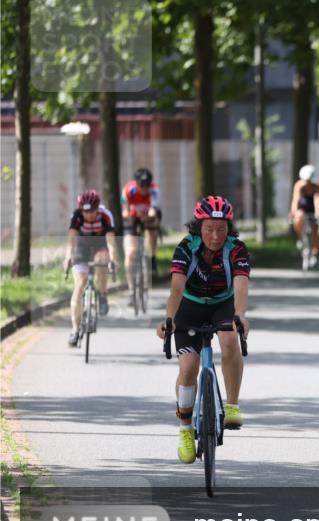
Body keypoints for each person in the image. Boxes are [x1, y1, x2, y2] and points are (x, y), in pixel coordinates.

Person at [156, 196, 251, 464]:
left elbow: (242, 285)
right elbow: (176, 287)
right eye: (209, 228)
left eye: (221, 229)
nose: (215, 235)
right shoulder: (186, 248)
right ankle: (186, 428)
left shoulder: (237, 249)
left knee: (230, 338)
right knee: (188, 367)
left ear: (229, 228)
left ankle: (231, 404)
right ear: (199, 226)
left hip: (223, 304)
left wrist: (240, 315)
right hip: (190, 306)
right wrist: (169, 319)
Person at [64, 190, 117, 345]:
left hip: (100, 245)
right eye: (85, 211)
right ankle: (74, 330)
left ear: (97, 208)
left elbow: (111, 242)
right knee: (79, 284)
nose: (88, 215)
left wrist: (113, 260)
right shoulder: (76, 217)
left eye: (91, 211)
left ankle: (102, 294)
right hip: (82, 246)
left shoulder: (106, 215)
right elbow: (71, 241)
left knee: (102, 260)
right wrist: (68, 257)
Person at [121, 168, 162, 296]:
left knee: (153, 228)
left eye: (147, 185)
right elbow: (124, 212)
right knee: (130, 253)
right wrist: (133, 217)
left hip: (148, 216)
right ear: (136, 183)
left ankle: (152, 258)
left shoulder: (155, 190)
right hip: (132, 218)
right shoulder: (128, 190)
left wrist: (149, 217)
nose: (144, 188)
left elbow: (154, 209)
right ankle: (131, 289)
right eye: (141, 185)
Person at [289, 164, 319, 268]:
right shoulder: (299, 185)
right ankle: (300, 237)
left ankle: (314, 254)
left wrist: (318, 213)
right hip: (302, 208)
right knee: (298, 217)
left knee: (315, 231)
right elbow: (295, 200)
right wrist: (293, 212)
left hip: (312, 209)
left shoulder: (316, 185)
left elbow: (318, 199)